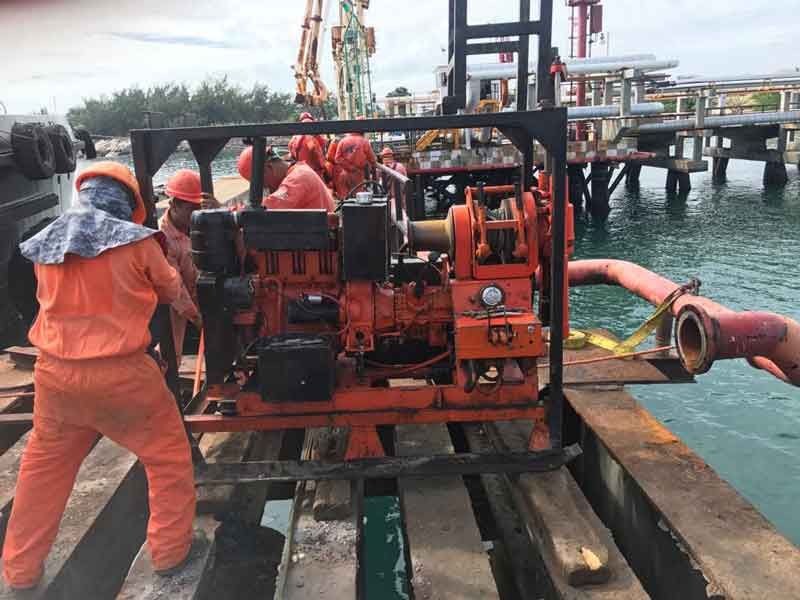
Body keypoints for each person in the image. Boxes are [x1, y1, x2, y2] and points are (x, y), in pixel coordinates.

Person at [2, 162, 197, 590]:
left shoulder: (47, 243)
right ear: (129, 204)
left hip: (55, 379)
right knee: (167, 459)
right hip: (123, 375)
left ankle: (19, 570)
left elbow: (36, 297)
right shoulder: (138, 243)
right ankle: (169, 552)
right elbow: (170, 290)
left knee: (42, 473)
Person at [159, 169, 218, 365]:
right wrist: (196, 317)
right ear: (175, 204)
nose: (196, 214)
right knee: (171, 345)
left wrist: (219, 213)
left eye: (198, 208)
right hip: (177, 300)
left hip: (201, 291)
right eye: (191, 209)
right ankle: (171, 379)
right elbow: (175, 287)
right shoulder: (163, 238)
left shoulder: (199, 222)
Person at [237, 145, 335, 211]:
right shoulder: (298, 170)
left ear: (268, 168)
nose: (266, 188)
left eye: (263, 184)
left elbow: (267, 208)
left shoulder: (297, 178)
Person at [331, 128, 377, 200]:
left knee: (345, 199)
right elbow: (372, 159)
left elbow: (337, 159)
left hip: (344, 174)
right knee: (357, 199)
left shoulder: (343, 141)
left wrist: (348, 167)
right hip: (357, 174)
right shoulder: (364, 141)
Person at [288, 112, 327, 178]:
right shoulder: (312, 138)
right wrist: (323, 167)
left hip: (300, 171)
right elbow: (317, 154)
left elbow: (291, 155)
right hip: (314, 172)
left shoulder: (294, 138)